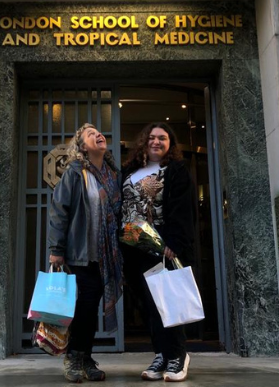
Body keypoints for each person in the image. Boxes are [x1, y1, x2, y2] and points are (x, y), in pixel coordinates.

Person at [47, 123, 123, 383]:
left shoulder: (113, 174)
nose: (98, 134)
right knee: (88, 303)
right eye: (91, 134)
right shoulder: (75, 172)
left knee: (89, 306)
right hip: (81, 251)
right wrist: (56, 249)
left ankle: (84, 356)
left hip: (106, 254)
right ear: (81, 147)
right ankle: (76, 356)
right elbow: (59, 209)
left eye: (99, 132)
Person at [121, 122, 196, 382]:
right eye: (151, 137)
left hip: (163, 246)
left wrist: (173, 243)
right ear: (143, 141)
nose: (156, 142)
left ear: (170, 144)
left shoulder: (176, 170)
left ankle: (178, 355)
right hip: (133, 247)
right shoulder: (130, 170)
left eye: (162, 138)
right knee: (149, 305)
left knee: (169, 301)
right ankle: (161, 354)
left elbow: (182, 209)